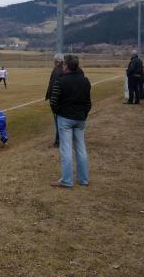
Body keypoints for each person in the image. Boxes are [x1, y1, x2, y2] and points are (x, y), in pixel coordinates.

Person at [49, 54, 92, 188]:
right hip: (80, 118)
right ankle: (84, 179)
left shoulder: (60, 81)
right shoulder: (85, 81)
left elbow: (53, 101)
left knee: (66, 150)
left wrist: (58, 112)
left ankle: (67, 180)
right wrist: (84, 114)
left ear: (66, 66)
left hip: (65, 118)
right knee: (81, 149)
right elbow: (88, 103)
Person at [45, 53, 64, 148]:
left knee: (58, 121)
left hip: (56, 100)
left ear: (56, 61)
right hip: (59, 99)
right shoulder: (62, 69)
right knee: (60, 121)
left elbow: (53, 86)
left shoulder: (57, 70)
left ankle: (58, 141)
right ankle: (60, 140)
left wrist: (53, 101)